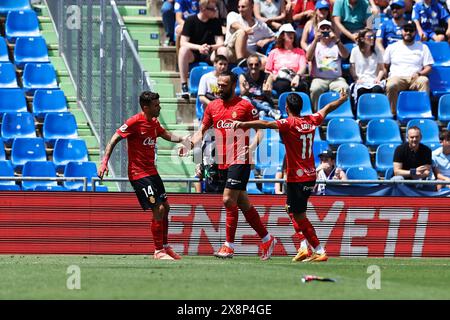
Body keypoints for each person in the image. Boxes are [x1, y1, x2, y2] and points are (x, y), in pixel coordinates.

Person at [233, 88, 349, 262]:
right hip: (310, 174)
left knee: (299, 215)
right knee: (291, 208)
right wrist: (342, 99)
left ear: (287, 108)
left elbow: (265, 125)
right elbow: (328, 107)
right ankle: (303, 247)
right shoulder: (311, 120)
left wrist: (243, 124)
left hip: (298, 177)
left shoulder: (288, 123)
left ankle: (318, 250)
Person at [186, 70, 277, 260]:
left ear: (233, 85)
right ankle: (267, 238)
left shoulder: (244, 106)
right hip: (222, 160)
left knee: (228, 200)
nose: (219, 88)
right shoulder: (212, 107)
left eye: (224, 85)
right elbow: (202, 131)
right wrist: (188, 144)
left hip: (240, 159)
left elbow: (260, 129)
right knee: (242, 202)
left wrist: (251, 148)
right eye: (218, 84)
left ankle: (229, 246)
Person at [98, 91, 191, 260]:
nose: (160, 107)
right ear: (145, 107)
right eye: (156, 105)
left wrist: (182, 139)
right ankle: (158, 251)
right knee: (158, 208)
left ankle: (165, 246)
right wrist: (104, 162)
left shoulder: (154, 123)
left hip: (152, 172)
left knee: (166, 207)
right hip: (138, 174)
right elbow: (114, 139)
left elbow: (165, 135)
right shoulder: (134, 122)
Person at [178, 0, 228, 98]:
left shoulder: (215, 22)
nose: (215, 11)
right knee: (183, 50)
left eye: (215, 8)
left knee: (223, 50)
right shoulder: (190, 20)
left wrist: (210, 47)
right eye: (212, 9)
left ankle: (223, 83)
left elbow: (220, 42)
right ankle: (184, 85)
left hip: (210, 52)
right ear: (202, 9)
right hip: (194, 53)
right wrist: (199, 47)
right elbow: (183, 42)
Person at [383, 21, 434, 115]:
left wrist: (420, 74)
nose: (408, 32)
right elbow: (385, 66)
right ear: (402, 31)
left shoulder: (423, 47)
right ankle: (393, 113)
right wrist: (385, 77)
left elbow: (429, 67)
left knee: (424, 81)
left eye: (411, 30)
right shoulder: (392, 47)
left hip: (415, 77)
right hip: (397, 77)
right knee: (391, 85)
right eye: (406, 30)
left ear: (415, 32)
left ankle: (422, 112)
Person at [306, 19, 349, 111]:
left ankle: (343, 112)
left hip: (336, 79)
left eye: (328, 29)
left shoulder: (336, 44)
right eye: (322, 29)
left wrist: (336, 40)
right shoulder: (314, 45)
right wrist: (315, 39)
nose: (325, 31)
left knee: (345, 88)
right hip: (319, 78)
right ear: (318, 31)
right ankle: (316, 112)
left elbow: (345, 55)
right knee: (315, 89)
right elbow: (308, 58)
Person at [224, 0, 276, 66]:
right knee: (242, 32)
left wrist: (266, 40)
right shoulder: (233, 15)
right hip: (231, 50)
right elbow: (234, 25)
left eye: (243, 7)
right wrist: (245, 29)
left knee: (266, 61)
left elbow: (276, 36)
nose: (240, 9)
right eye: (238, 7)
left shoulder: (260, 25)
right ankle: (240, 62)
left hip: (248, 53)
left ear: (252, 7)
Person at [264, 23, 309, 96]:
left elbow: (303, 67)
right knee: (283, 85)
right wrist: (273, 76)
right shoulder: (274, 52)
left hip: (295, 77)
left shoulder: (300, 51)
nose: (291, 35)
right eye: (288, 33)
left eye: (292, 33)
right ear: (282, 36)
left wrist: (297, 76)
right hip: (278, 80)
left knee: (301, 86)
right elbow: (268, 70)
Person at [349, 28, 385, 112]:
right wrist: (356, 79)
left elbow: (381, 69)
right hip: (360, 80)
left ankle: (376, 113)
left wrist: (378, 79)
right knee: (361, 90)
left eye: (373, 36)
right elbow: (352, 68)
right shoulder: (355, 51)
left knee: (377, 89)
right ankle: (361, 113)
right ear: (362, 39)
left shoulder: (377, 50)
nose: (372, 38)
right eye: (369, 36)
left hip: (373, 80)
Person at [239, 53, 282, 119]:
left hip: (263, 102)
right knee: (245, 98)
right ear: (248, 65)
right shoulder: (243, 76)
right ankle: (270, 110)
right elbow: (242, 94)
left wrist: (266, 92)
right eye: (251, 64)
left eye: (256, 64)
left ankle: (267, 113)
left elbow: (269, 95)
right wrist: (246, 90)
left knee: (262, 113)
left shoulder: (267, 76)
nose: (253, 66)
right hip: (250, 103)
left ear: (260, 65)